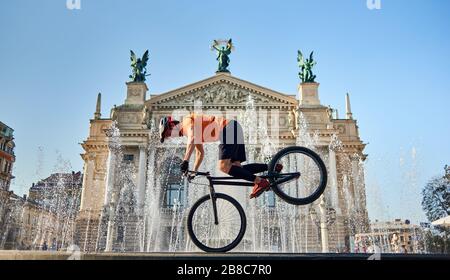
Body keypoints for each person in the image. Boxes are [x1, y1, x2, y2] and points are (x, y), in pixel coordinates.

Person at [159, 113, 282, 199]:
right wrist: (194, 172)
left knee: (223, 167)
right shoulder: (191, 131)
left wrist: (185, 161)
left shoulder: (186, 122)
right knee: (237, 168)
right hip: (234, 127)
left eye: (167, 134)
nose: (170, 137)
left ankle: (259, 182)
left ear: (171, 125)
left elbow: (191, 138)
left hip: (227, 129)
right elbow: (200, 153)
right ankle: (272, 167)